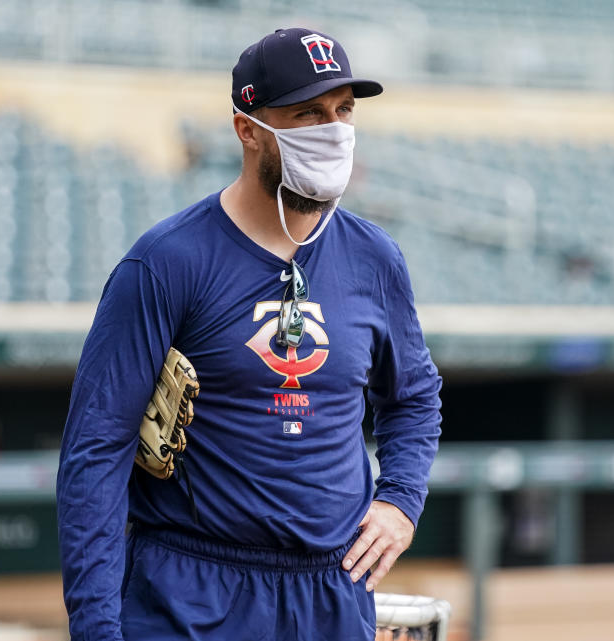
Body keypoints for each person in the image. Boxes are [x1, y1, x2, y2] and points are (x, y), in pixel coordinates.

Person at [56, 27, 442, 641]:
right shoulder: (166, 261)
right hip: (190, 590)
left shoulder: (375, 259)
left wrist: (399, 499)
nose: (333, 130)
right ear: (248, 128)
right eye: (308, 113)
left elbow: (415, 396)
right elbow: (96, 452)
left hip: (330, 591)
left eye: (343, 111)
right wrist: (98, 629)